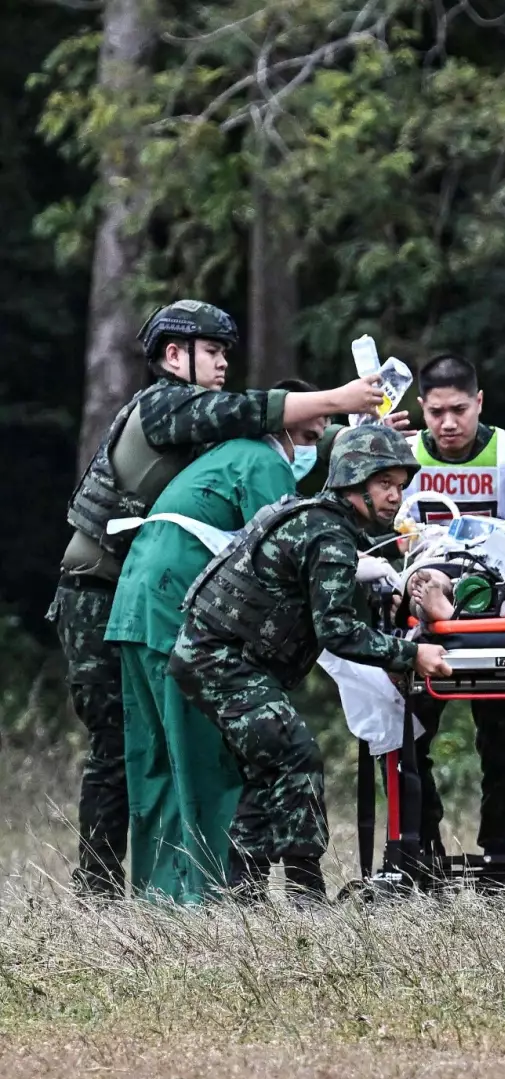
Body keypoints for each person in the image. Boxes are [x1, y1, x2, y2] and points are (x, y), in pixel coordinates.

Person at [54, 299, 386, 896]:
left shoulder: (214, 430)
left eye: (227, 352)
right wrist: (342, 397)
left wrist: (372, 442)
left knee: (143, 751)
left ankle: (144, 894)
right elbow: (257, 418)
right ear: (173, 355)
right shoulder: (164, 404)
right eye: (213, 351)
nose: (224, 362)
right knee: (124, 752)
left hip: (133, 591)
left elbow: (284, 435)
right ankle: (100, 892)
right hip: (98, 589)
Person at [169, 425, 450, 903]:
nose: (395, 497)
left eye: (401, 486)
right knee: (296, 755)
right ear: (354, 481)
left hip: (215, 658)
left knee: (270, 768)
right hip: (222, 661)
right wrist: (412, 654)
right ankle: (305, 894)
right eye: (385, 484)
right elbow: (338, 631)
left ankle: (242, 899)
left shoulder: (319, 520)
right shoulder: (328, 531)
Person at [104, 379, 333, 903]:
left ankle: (159, 899)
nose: (316, 439)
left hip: (135, 609)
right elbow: (288, 552)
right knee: (206, 756)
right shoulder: (263, 461)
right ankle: (211, 897)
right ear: (286, 423)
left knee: (154, 760)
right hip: (174, 616)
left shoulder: (227, 454)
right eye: (313, 427)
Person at [398, 354, 505, 884]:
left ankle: (503, 860)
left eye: (459, 410)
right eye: (437, 411)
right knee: (407, 737)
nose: (447, 423)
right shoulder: (402, 456)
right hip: (423, 621)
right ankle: (423, 854)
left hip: (502, 617)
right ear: (421, 407)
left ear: (479, 403)